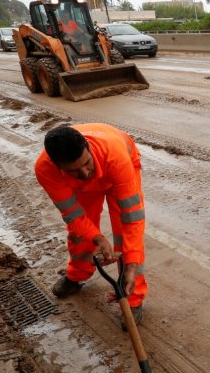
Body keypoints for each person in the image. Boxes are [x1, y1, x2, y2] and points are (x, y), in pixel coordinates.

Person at [35, 124, 148, 329]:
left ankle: (133, 296)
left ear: (88, 147)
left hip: (116, 169)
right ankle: (77, 275)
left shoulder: (115, 157)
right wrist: (98, 238)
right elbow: (73, 215)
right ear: (56, 165)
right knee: (80, 234)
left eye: (87, 163)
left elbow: (132, 218)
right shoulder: (45, 169)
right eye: (74, 170)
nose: (86, 173)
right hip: (83, 183)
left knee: (125, 234)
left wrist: (131, 264)